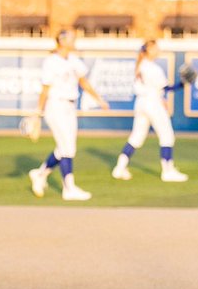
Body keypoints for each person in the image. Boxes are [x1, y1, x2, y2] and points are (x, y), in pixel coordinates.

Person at [28, 30, 111, 201]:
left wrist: (99, 100)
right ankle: (69, 188)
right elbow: (45, 88)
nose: (74, 41)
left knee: (66, 148)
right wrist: (38, 111)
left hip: (70, 106)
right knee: (66, 148)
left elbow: (83, 82)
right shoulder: (51, 61)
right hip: (55, 105)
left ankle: (40, 174)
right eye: (71, 38)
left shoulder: (73, 60)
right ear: (61, 40)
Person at [111, 40, 188, 183]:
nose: (158, 51)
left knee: (136, 137)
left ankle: (119, 168)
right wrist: (183, 84)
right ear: (149, 50)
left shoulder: (140, 65)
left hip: (141, 103)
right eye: (155, 48)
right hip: (153, 103)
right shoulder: (152, 68)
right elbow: (166, 88)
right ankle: (168, 171)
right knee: (167, 136)